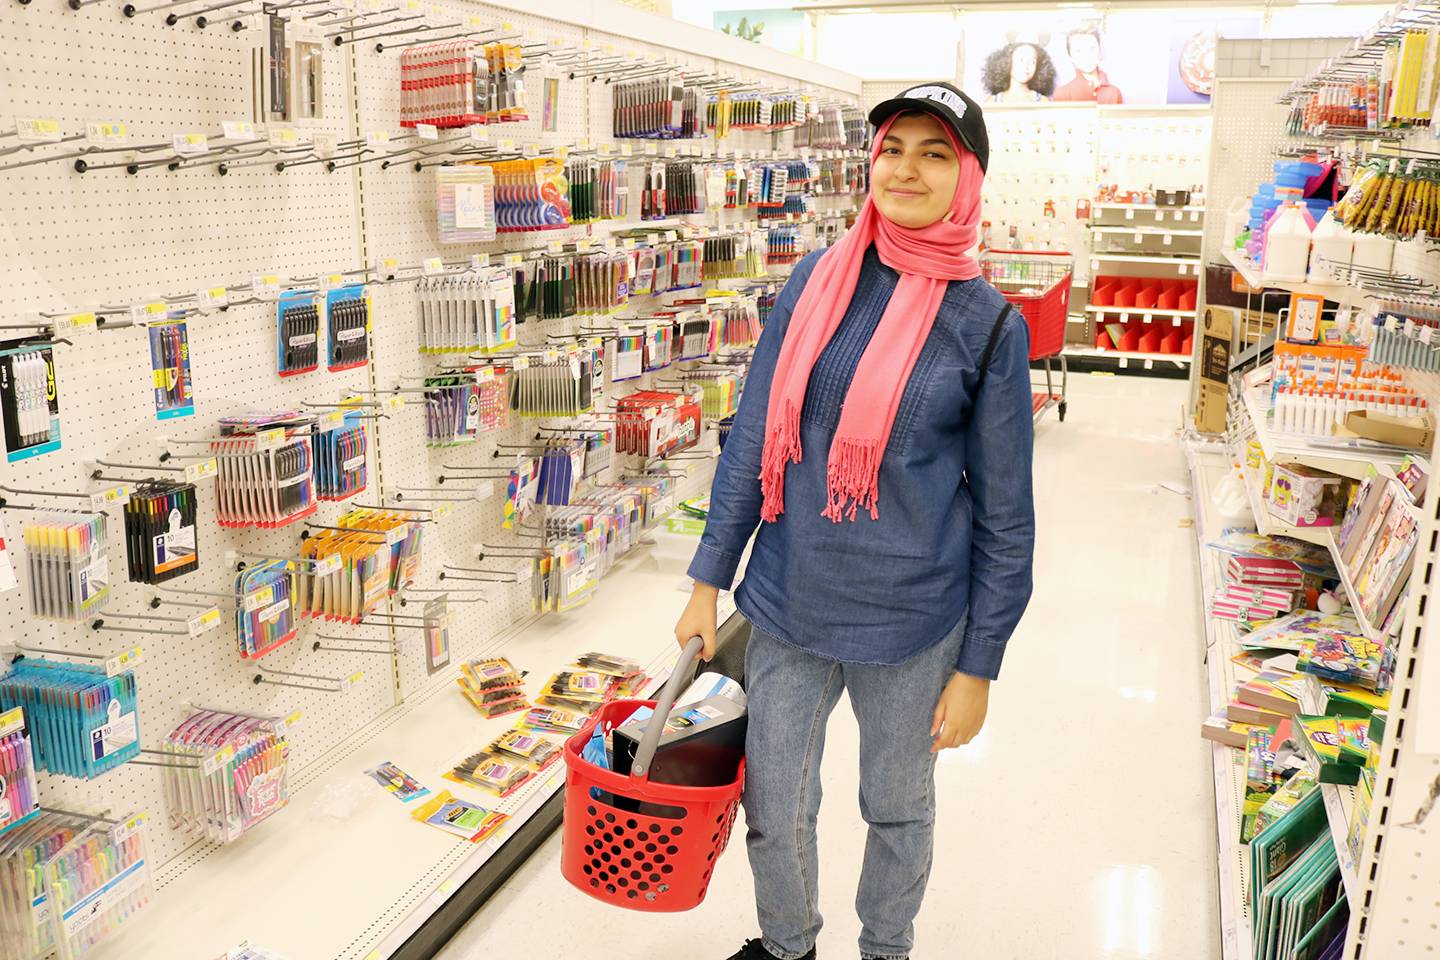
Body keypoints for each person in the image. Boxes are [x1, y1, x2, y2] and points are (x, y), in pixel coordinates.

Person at [674, 81, 1036, 960]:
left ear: (970, 175)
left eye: (935, 152)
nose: (906, 168)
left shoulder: (987, 326)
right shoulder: (817, 279)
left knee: (898, 807)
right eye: (893, 148)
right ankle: (787, 944)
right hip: (789, 601)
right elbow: (755, 432)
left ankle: (886, 949)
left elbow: (1006, 518)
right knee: (776, 803)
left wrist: (979, 665)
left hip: (914, 620)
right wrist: (706, 578)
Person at [1052, 25, 1124, 103]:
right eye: (1078, 50)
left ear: (1100, 51)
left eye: (1092, 48)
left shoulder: (1114, 93)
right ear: (1070, 57)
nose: (1086, 55)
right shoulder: (1062, 94)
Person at [981, 42, 1056, 103]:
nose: (1026, 66)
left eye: (1033, 62)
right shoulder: (992, 102)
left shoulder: (1043, 101)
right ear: (1007, 62)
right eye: (1021, 60)